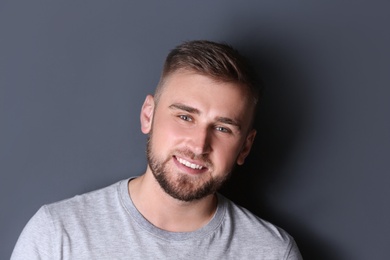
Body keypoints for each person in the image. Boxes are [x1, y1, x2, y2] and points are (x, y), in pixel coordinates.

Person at [11, 40, 302, 259]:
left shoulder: (272, 253)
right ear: (148, 115)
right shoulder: (58, 234)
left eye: (223, 128)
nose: (199, 145)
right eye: (185, 117)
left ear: (245, 146)